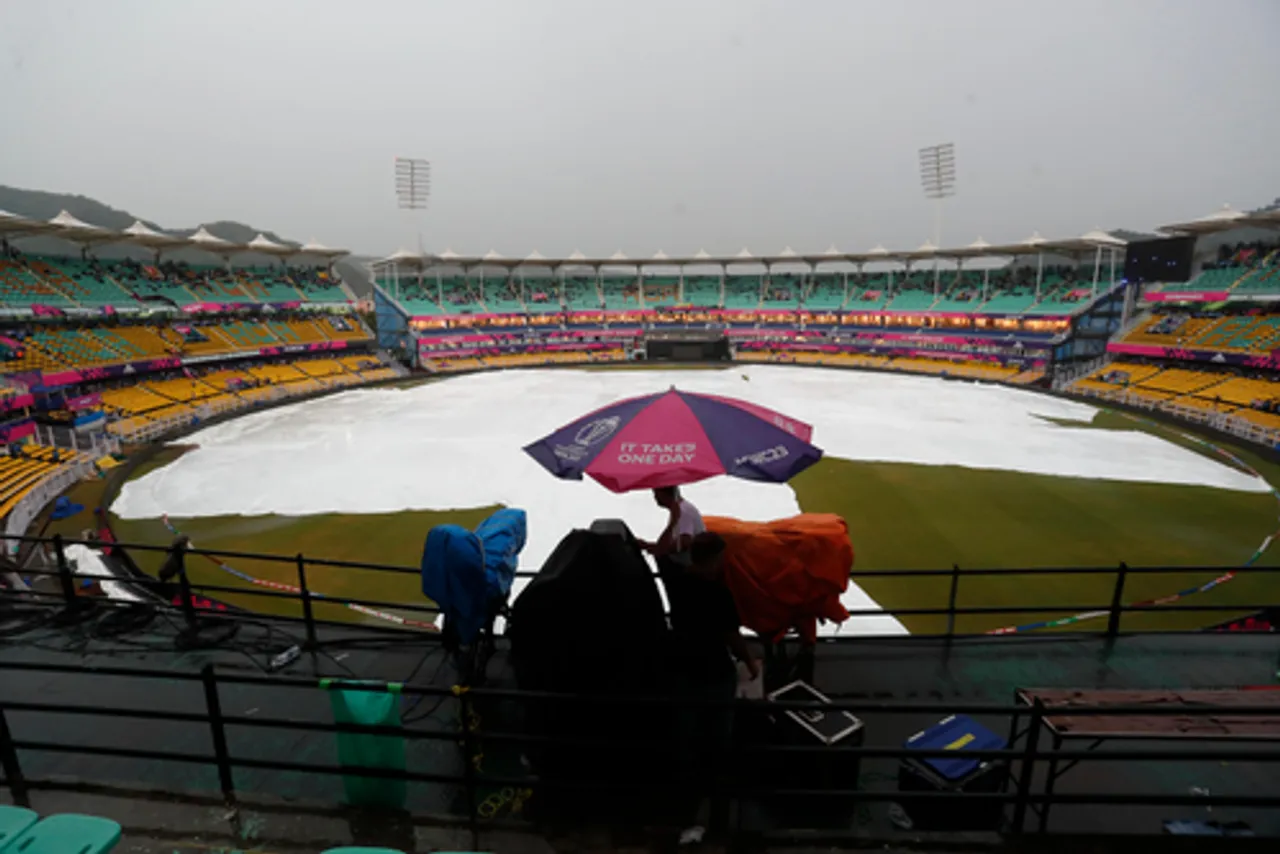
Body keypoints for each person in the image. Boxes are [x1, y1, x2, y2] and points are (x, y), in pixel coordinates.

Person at [658, 531, 759, 844]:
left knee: (686, 741)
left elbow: (660, 554)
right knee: (717, 744)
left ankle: (686, 811)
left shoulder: (676, 580)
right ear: (714, 559)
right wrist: (752, 664)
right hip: (714, 674)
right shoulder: (719, 593)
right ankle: (716, 817)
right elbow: (732, 636)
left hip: (683, 670)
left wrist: (676, 523)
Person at [639, 486, 705, 565]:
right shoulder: (680, 509)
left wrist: (658, 549)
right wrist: (650, 546)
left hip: (685, 567)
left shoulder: (683, 511)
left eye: (656, 493)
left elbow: (684, 542)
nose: (655, 497)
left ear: (664, 494)